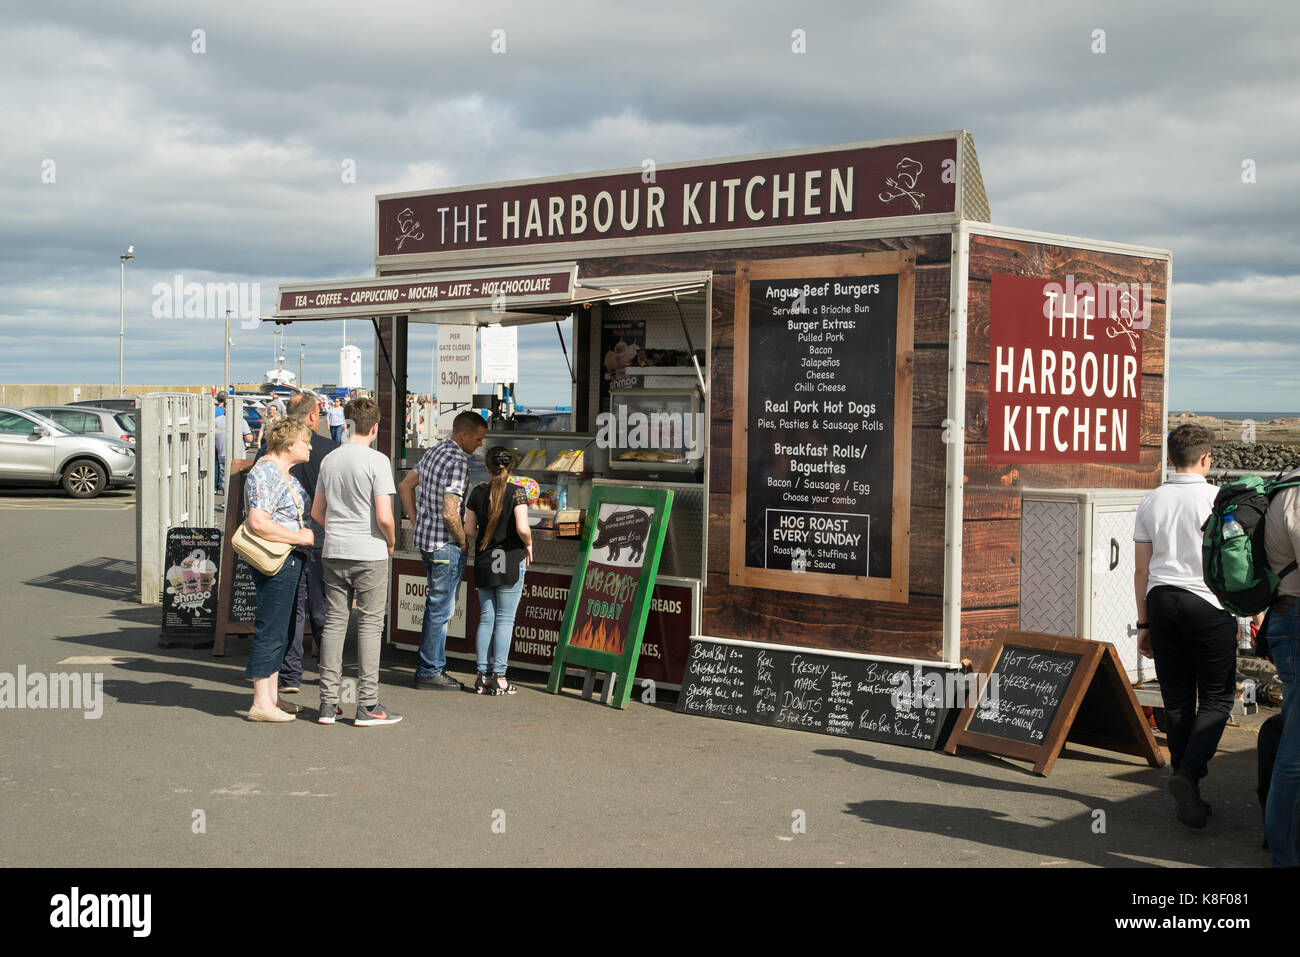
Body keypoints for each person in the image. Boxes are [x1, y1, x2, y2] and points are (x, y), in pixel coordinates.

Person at [1134, 424, 1237, 827]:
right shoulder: (1220, 499)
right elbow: (1234, 562)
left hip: (1162, 602)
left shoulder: (1151, 500)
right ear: (1207, 459)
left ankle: (1185, 791)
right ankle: (1189, 773)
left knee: (1177, 700)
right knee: (1216, 698)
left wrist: (1143, 622)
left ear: (1170, 458)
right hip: (1208, 604)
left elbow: (1141, 568)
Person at [311, 396, 401, 726]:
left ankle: (327, 703)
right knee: (369, 624)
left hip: (334, 550)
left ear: (346, 423)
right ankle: (367, 704)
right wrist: (391, 542)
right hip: (370, 552)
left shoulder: (329, 461)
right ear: (375, 428)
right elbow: (384, 516)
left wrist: (337, 529)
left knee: (334, 622)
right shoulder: (377, 462)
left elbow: (316, 512)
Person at [257, 392, 339, 694]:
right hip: (318, 536)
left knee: (290, 610)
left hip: (279, 543)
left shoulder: (269, 452)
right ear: (314, 416)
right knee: (322, 609)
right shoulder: (330, 449)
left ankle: (290, 674)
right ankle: (327, 669)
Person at [398, 410, 487, 690]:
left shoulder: (435, 451)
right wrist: (462, 541)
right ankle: (430, 670)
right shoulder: (458, 461)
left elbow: (405, 486)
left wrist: (416, 520)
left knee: (435, 607)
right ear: (463, 435)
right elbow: (451, 513)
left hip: (426, 541)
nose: (480, 445)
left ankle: (429, 665)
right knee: (440, 609)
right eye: (478, 439)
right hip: (445, 545)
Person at [242, 417, 314, 722]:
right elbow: (258, 522)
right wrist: (299, 536)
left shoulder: (279, 472)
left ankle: (272, 697)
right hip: (278, 558)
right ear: (288, 444)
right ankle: (261, 702)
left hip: (289, 557)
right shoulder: (266, 473)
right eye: (305, 441)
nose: (309, 446)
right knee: (271, 627)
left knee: (282, 628)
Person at [464, 446, 533, 695]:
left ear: (487, 467)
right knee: (505, 619)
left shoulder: (477, 493)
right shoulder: (517, 493)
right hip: (510, 559)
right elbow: (523, 527)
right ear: (511, 467)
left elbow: (469, 530)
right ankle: (500, 677)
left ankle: (481, 676)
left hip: (484, 559)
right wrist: (529, 543)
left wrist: (486, 536)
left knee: (487, 617)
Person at [1264, 463, 1300, 866]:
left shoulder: (1285, 486)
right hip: (1296, 616)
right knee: (1294, 752)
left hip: (1287, 615)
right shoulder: (1298, 494)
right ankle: (1284, 858)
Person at [214, 392, 227, 493]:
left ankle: (214, 486)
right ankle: (222, 486)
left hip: (215, 440)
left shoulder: (213, 411)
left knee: (215, 463)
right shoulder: (228, 411)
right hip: (226, 442)